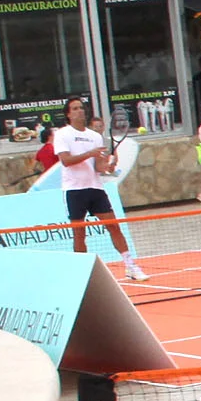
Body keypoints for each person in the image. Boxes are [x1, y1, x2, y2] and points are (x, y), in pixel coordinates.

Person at [54, 99, 147, 281]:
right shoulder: (62, 134)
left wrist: (108, 167)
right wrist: (89, 154)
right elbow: (66, 161)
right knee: (79, 233)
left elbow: (98, 166)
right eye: (74, 109)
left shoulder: (95, 136)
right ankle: (82, 273)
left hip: (95, 188)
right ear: (68, 114)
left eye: (81, 108)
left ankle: (130, 266)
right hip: (74, 189)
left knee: (113, 226)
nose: (79, 111)